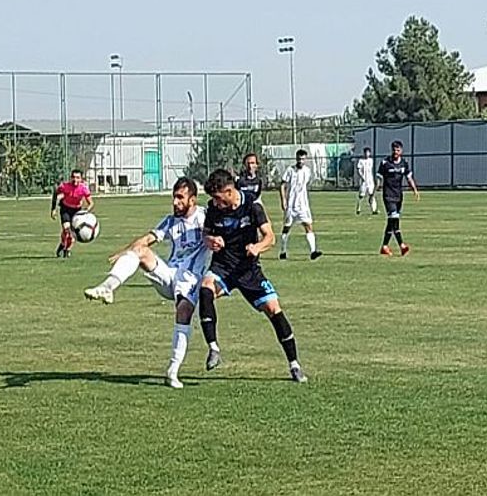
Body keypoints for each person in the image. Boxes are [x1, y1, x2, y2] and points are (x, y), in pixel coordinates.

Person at [84, 177, 207, 389]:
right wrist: (126, 252)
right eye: (174, 197)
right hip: (169, 274)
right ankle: (107, 287)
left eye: (180, 198)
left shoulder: (205, 217)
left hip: (190, 279)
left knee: (183, 311)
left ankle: (172, 371)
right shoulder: (170, 221)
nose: (175, 202)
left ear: (192, 200)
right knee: (140, 251)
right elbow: (146, 240)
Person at [199, 169, 308, 383]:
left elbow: (270, 237)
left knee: (274, 310)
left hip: (249, 271)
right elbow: (206, 234)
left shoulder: (252, 205)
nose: (216, 203)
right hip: (223, 267)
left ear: (229, 191)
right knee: (205, 288)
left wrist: (257, 247)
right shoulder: (213, 209)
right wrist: (210, 240)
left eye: (219, 198)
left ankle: (294, 365)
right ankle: (213, 348)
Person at [377, 140, 420, 256]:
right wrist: (374, 190)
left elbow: (409, 178)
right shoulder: (385, 163)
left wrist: (415, 190)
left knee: (392, 221)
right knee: (394, 218)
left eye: (398, 150)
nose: (395, 152)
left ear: (401, 151)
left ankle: (385, 246)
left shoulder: (404, 163)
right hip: (388, 195)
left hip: (399, 196)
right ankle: (402, 245)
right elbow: (379, 178)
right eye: (394, 150)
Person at [278, 149, 322, 260]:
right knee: (287, 227)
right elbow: (282, 185)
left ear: (305, 159)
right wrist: (283, 200)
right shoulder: (290, 170)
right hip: (291, 205)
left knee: (308, 226)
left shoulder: (307, 171)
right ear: (296, 158)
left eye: (303, 159)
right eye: (299, 159)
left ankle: (313, 252)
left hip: (303, 205)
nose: (301, 161)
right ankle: (283, 251)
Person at [50, 169, 93, 258]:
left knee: (73, 234)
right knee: (66, 229)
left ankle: (67, 250)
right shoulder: (65, 186)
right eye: (73, 177)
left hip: (77, 211)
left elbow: (91, 203)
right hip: (65, 209)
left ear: (81, 179)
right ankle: (62, 244)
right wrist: (53, 209)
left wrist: (87, 210)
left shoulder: (83, 188)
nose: (75, 180)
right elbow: (55, 193)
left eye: (77, 177)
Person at [355, 147, 378, 215]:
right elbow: (358, 170)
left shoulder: (371, 160)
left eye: (368, 152)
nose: (367, 154)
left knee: (372, 195)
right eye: (365, 152)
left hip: (370, 181)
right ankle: (358, 209)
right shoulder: (361, 161)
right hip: (364, 181)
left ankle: (374, 210)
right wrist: (362, 177)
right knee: (361, 196)